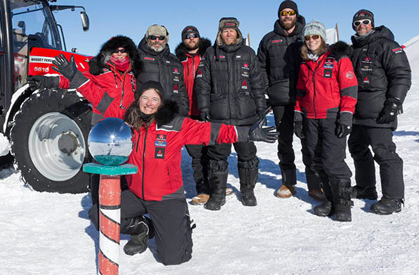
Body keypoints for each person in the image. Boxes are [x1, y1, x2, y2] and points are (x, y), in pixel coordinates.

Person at [85, 81, 277, 265]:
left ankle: (180, 221)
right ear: (138, 100)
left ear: (161, 103)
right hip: (136, 194)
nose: (149, 103)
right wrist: (76, 79)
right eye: (145, 98)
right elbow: (103, 102)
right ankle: (143, 227)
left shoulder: (175, 124)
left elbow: (210, 131)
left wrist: (246, 134)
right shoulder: (130, 123)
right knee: (97, 214)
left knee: (174, 258)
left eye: (154, 99)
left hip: (166, 197)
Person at [47, 35, 141, 203]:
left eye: (123, 51)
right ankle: (98, 205)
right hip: (102, 129)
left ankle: (123, 205)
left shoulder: (132, 76)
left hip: (124, 130)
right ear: (108, 54)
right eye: (115, 51)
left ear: (129, 54)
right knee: (100, 169)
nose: (119, 55)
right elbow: (74, 79)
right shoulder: (100, 71)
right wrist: (53, 81)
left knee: (124, 168)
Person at [196, 18, 267, 210]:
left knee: (247, 155)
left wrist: (261, 108)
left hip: (245, 115)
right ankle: (218, 194)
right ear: (220, 33)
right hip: (219, 116)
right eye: (225, 31)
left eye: (232, 31)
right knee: (217, 157)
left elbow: (258, 84)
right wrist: (203, 108)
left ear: (237, 33)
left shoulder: (248, 54)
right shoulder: (211, 54)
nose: (228, 34)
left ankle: (247, 191)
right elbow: (202, 84)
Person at [257, 0, 323, 201]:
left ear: (296, 14)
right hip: (280, 100)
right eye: (283, 12)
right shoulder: (268, 40)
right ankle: (288, 182)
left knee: (309, 141)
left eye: (291, 12)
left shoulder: (307, 36)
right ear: (279, 15)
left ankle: (314, 184)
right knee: (284, 142)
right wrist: (269, 89)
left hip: (306, 98)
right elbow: (260, 67)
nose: (287, 16)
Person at [348, 9, 411, 215]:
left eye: (365, 22)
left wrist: (393, 104)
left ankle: (393, 198)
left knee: (384, 152)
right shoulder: (352, 49)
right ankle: (366, 188)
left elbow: (401, 75)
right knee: (357, 148)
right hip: (356, 113)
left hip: (379, 112)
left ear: (372, 24)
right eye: (357, 23)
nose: (361, 26)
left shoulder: (387, 46)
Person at [294, 21, 358, 222]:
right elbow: (300, 92)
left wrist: (346, 115)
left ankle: (343, 205)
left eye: (315, 37)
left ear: (322, 38)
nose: (311, 40)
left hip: (332, 117)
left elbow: (349, 89)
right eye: (308, 37)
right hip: (311, 117)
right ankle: (330, 200)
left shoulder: (337, 58)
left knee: (333, 161)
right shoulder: (305, 62)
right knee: (316, 159)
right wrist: (298, 115)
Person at [173, 25, 219, 205]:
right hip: (188, 112)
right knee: (197, 153)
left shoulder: (209, 56)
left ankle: (216, 185)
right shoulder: (178, 60)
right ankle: (203, 189)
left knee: (213, 151)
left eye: (194, 35)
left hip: (208, 110)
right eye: (187, 36)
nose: (191, 39)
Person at [136, 24, 190, 116]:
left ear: (165, 40)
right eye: (153, 37)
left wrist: (183, 109)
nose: (157, 41)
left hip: (172, 114)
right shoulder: (137, 57)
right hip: (147, 112)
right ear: (147, 39)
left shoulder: (175, 61)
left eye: (161, 38)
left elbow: (181, 88)